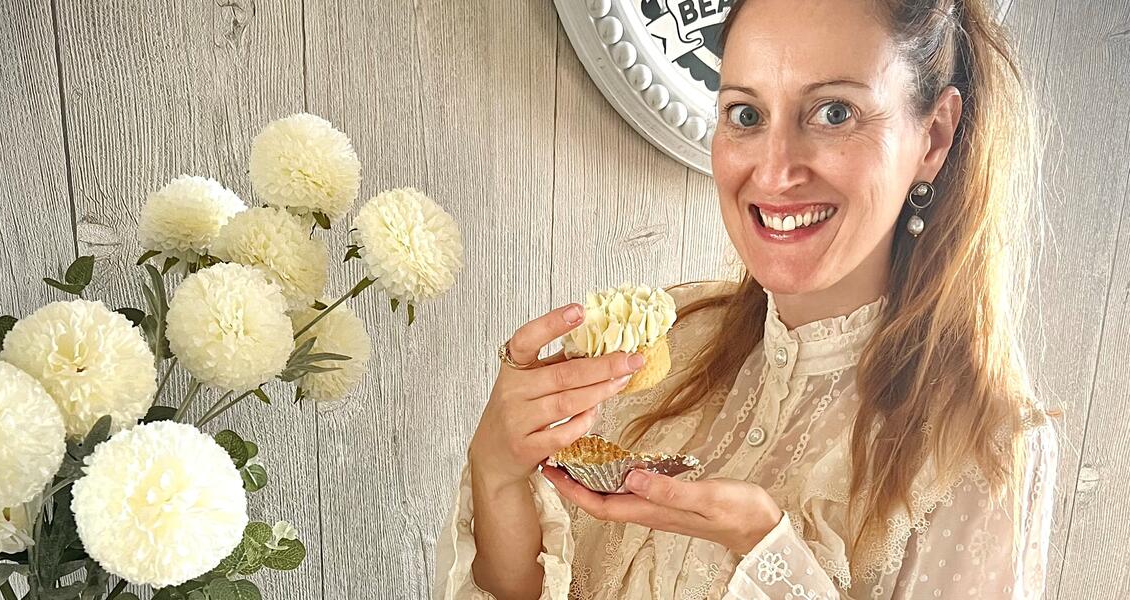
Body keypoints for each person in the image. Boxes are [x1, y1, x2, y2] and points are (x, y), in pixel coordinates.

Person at [434, 0, 1059, 597]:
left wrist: (769, 554)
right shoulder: (669, 341)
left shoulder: (984, 447)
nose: (774, 170)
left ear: (934, 137)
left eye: (834, 113)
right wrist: (497, 470)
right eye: (746, 115)